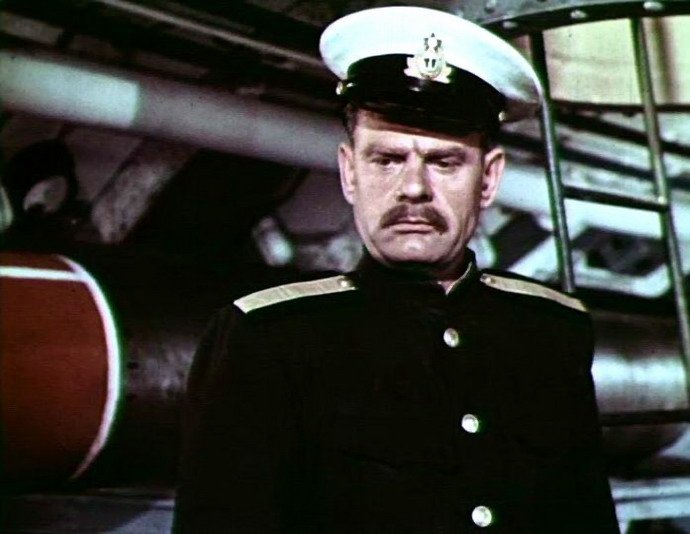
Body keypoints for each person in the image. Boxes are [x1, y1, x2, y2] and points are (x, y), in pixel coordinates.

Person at [173, 6, 619, 533]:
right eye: (386, 160)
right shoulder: (268, 338)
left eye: (444, 162)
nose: (412, 189)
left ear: (488, 179)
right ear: (349, 173)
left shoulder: (552, 331)